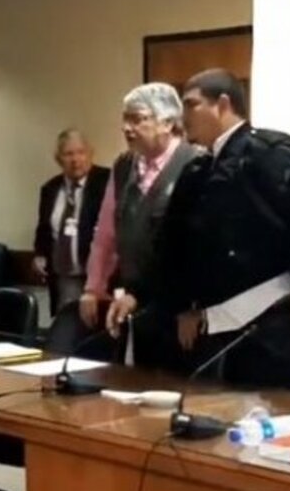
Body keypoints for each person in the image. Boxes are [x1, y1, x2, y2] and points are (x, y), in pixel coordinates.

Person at [157, 68, 290, 392]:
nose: (183, 116)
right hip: (215, 326)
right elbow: (181, 243)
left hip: (275, 325)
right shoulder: (199, 169)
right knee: (215, 416)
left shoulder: (269, 151)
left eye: (191, 104)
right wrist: (184, 304)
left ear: (223, 104)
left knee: (280, 415)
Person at [47, 83, 196, 365]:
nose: (127, 128)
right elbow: (106, 233)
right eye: (125, 119)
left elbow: (197, 249)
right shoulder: (124, 166)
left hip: (178, 305)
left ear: (167, 123)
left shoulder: (195, 164)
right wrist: (93, 288)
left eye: (138, 119)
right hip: (133, 299)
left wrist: (192, 306)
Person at [33, 128, 109, 316]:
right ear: (59, 159)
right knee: (66, 326)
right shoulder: (50, 189)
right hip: (64, 278)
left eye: (81, 152)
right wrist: (40, 254)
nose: (75, 159)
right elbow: (44, 229)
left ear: (90, 154)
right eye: (68, 154)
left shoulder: (107, 182)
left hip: (100, 279)